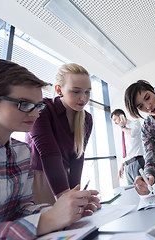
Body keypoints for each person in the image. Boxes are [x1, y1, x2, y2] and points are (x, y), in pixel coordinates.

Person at [0, 59, 100, 239]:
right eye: (24, 104)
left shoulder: (21, 153)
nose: (35, 114)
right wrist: (48, 220)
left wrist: (64, 210)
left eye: (38, 106)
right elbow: (50, 154)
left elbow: (22, 210)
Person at [26, 63, 93, 204]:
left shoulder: (87, 119)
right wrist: (64, 197)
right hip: (41, 176)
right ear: (59, 89)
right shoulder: (42, 109)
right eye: (76, 91)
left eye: (87, 92)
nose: (83, 98)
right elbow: (49, 154)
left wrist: (76, 190)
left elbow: (78, 156)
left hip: (65, 175)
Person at [110, 109, 145, 185]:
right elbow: (126, 150)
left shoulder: (134, 123)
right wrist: (122, 164)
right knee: (132, 191)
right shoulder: (123, 131)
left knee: (142, 188)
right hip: (127, 166)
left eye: (115, 119)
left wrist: (123, 126)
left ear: (121, 116)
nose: (115, 123)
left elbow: (132, 134)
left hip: (137, 162)